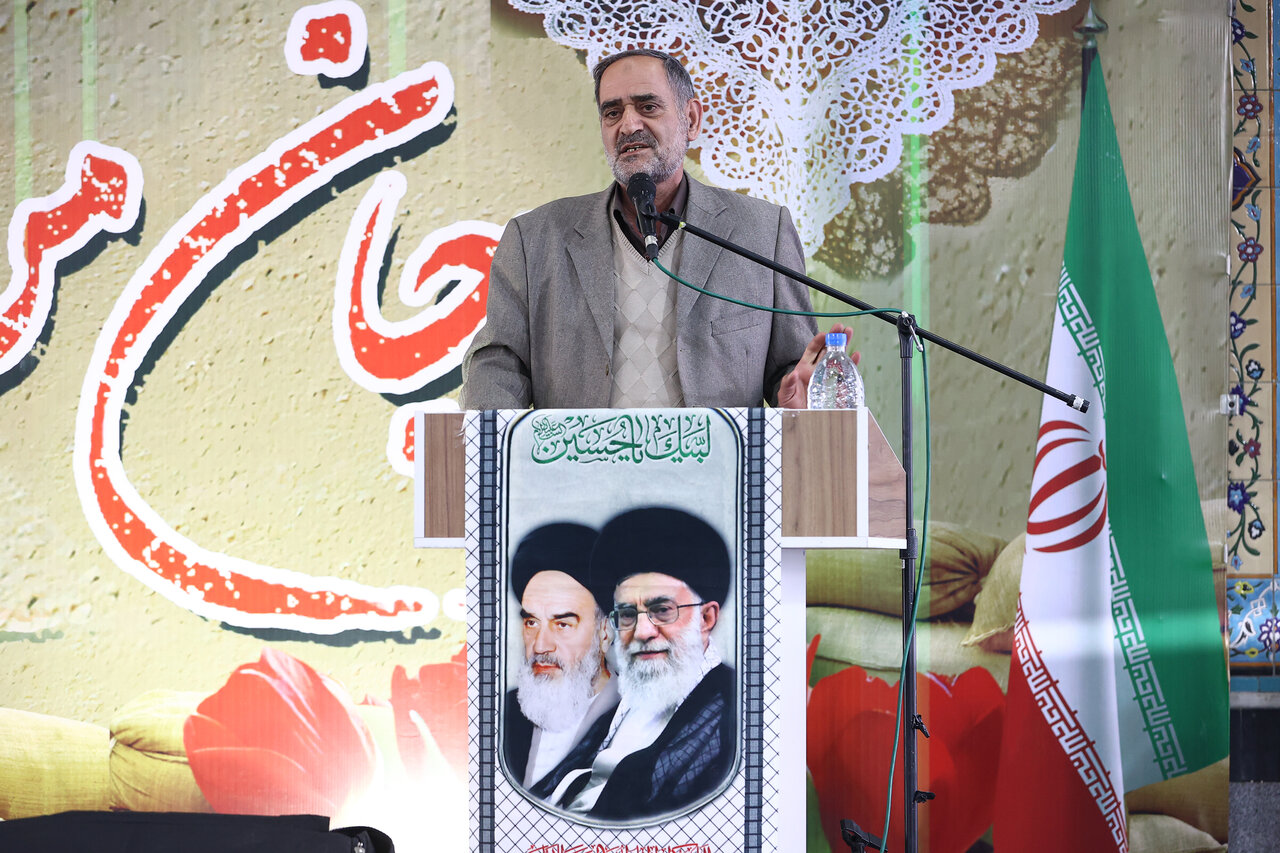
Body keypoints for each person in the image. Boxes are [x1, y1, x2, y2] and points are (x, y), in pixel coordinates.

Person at [462, 48, 849, 410]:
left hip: (716, 461)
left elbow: (792, 371)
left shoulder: (763, 232)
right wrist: (497, 440)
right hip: (579, 461)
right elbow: (497, 362)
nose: (629, 125)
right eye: (612, 113)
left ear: (691, 119)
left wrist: (799, 401)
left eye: (648, 107)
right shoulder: (534, 239)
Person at [549, 506, 735, 822]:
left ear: (706, 618)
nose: (642, 631)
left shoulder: (734, 711)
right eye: (627, 615)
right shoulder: (627, 703)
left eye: (662, 610)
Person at [505, 523, 619, 797]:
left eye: (562, 624)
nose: (540, 645)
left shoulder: (634, 720)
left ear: (605, 632)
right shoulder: (506, 714)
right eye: (531, 622)